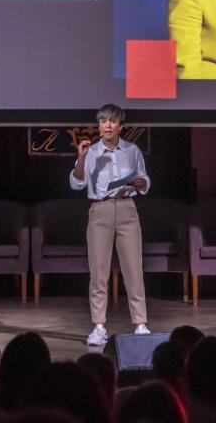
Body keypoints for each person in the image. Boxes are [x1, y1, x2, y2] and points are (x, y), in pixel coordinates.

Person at [70, 103, 151, 346]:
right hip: (100, 211)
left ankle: (140, 323)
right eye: (103, 121)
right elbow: (76, 183)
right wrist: (82, 158)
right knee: (99, 271)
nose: (107, 125)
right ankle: (98, 326)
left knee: (133, 269)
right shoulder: (91, 152)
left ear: (119, 126)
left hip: (127, 209)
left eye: (112, 121)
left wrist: (138, 182)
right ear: (98, 126)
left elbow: (146, 181)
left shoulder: (132, 150)